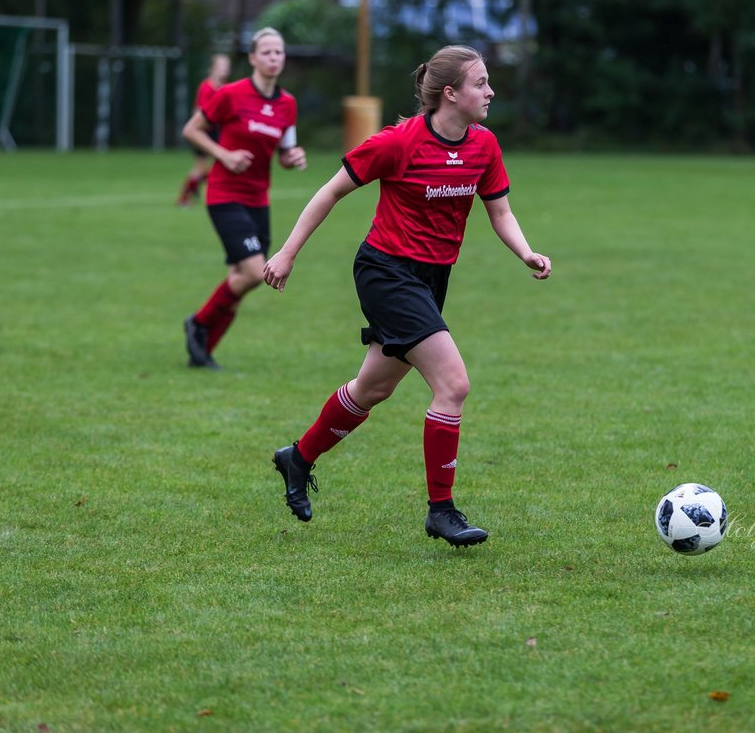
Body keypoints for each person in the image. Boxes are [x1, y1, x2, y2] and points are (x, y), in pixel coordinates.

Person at [261, 44, 552, 547]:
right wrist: (287, 253)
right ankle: (441, 511)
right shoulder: (398, 142)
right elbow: (329, 191)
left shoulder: (484, 145)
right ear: (450, 93)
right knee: (453, 385)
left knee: (372, 388)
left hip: (431, 279)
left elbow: (499, 212)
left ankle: (298, 457)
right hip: (386, 272)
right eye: (480, 83)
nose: (490, 91)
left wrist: (525, 253)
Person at [181, 28, 307, 370]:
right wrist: (224, 155)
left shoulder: (288, 104)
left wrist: (292, 159)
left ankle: (202, 351)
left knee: (239, 277)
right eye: (266, 52)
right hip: (225, 195)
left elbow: (283, 151)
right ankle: (200, 323)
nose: (273, 58)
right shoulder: (231, 95)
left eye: (278, 52)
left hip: (259, 200)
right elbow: (192, 129)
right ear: (252, 58)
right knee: (253, 273)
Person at [176, 53, 232, 206]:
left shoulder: (226, 88)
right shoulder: (206, 87)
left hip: (218, 132)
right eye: (221, 66)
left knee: (217, 167)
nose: (224, 70)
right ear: (212, 68)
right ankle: (185, 197)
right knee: (202, 167)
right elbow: (199, 112)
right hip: (204, 133)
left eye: (226, 67)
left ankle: (194, 191)